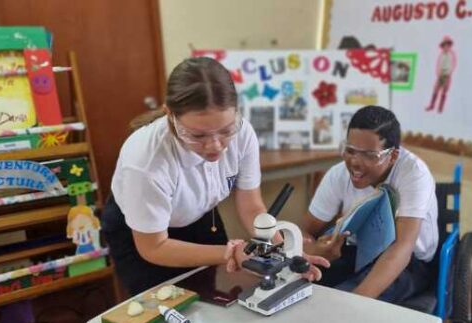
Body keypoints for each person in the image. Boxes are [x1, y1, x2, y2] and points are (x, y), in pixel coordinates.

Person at [102, 57, 328, 295]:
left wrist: (284, 252)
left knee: (207, 295)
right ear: (170, 115)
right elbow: (154, 247)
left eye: (225, 131)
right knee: (160, 306)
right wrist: (230, 253)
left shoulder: (243, 133)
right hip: (144, 234)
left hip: (199, 216)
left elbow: (251, 206)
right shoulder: (145, 162)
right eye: (198, 136)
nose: (215, 146)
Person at [302, 106, 438, 303]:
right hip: (356, 253)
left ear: (392, 156)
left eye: (369, 155)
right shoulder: (338, 174)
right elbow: (306, 231)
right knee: (303, 287)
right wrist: (314, 250)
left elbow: (403, 247)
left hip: (410, 262)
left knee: (341, 302)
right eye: (350, 150)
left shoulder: (414, 174)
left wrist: (356, 302)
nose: (355, 162)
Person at [425, 36, 457, 113]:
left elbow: (453, 65)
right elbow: (439, 64)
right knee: (435, 89)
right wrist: (438, 72)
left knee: (444, 91)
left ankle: (440, 108)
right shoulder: (441, 55)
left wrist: (449, 73)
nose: (446, 47)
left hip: (447, 74)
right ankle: (432, 105)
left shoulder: (451, 55)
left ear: (449, 46)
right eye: (444, 45)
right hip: (441, 74)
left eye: (447, 45)